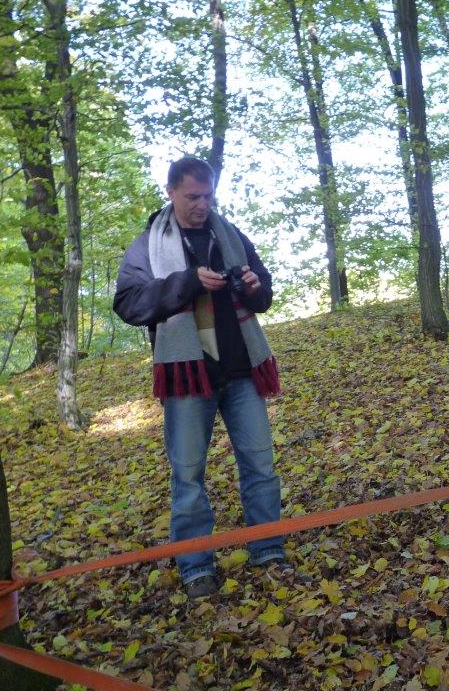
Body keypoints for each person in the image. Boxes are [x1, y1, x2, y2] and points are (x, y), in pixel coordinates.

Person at [113, 156, 287, 599]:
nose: (202, 205)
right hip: (187, 378)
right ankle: (196, 568)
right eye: (193, 196)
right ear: (171, 192)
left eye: (208, 196)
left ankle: (268, 549)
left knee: (261, 466)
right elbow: (130, 304)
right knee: (188, 475)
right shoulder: (148, 244)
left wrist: (252, 286)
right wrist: (188, 282)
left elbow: (263, 294)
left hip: (242, 371)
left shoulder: (229, 235)